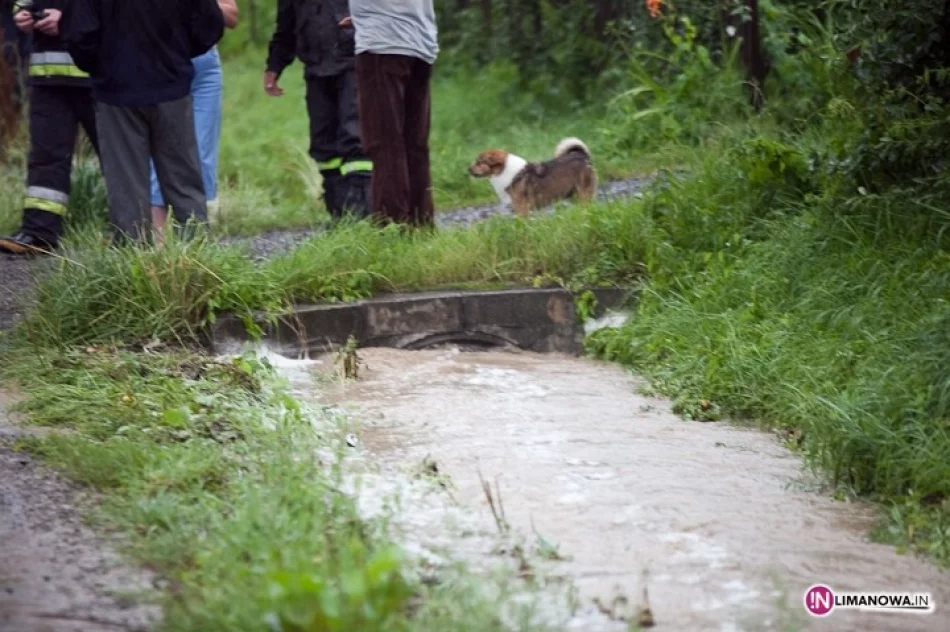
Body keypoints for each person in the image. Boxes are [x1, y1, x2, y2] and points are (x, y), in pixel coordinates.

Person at [61, 0, 224, 245]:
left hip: (116, 92)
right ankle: (197, 260)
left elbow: (79, 34)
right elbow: (210, 24)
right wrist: (177, 53)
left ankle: (132, 262)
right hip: (171, 86)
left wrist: (102, 67)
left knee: (126, 185)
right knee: (183, 180)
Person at [0, 1, 99, 256]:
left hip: (99, 76)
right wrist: (21, 15)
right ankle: (39, 234)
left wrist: (68, 20)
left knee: (119, 159)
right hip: (47, 77)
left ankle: (132, 233)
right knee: (45, 157)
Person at [264, 0, 372, 220]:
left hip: (354, 64)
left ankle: (363, 212)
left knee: (354, 137)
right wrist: (274, 66)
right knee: (323, 145)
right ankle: (339, 214)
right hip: (316, 70)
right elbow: (286, 28)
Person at [149, 0, 238, 244]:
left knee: (201, 153)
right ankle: (155, 244)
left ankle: (195, 245)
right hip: (162, 59)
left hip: (206, 66)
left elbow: (231, 17)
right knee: (161, 148)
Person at [350, 0, 439, 228]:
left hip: (382, 45)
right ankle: (421, 224)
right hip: (421, 41)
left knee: (384, 143)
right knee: (415, 144)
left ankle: (391, 228)